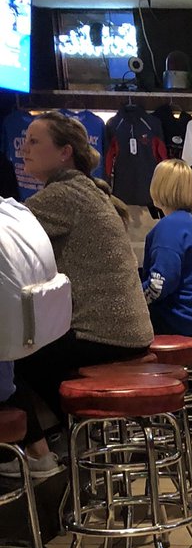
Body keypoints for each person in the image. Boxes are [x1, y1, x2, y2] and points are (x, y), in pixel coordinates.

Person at [8, 111, 152, 469]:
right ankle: (65, 441)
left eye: (35, 141)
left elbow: (6, 234)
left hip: (102, 336)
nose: (24, 148)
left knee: (9, 357)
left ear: (65, 153)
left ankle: (45, 451)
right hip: (128, 333)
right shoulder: (89, 189)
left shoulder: (63, 195)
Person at [141, 158, 192, 336]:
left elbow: (158, 285)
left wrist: (128, 299)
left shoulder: (169, 227)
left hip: (178, 318)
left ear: (159, 187)